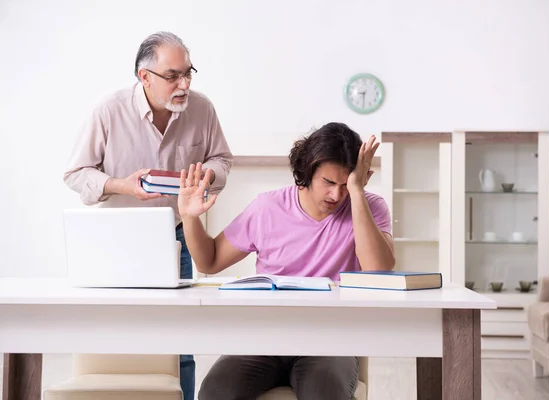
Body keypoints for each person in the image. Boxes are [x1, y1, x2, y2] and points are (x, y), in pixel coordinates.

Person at [63, 31, 233, 400]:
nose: (183, 84)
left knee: (180, 343)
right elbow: (76, 173)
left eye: (188, 73)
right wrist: (122, 185)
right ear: (144, 77)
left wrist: (206, 176)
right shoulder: (108, 110)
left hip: (177, 238)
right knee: (115, 337)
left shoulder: (202, 108)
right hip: (116, 239)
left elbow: (222, 160)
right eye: (173, 75)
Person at [178, 122, 394, 400]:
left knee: (323, 393)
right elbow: (210, 261)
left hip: (330, 340)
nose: (336, 195)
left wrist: (357, 193)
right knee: (215, 391)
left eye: (345, 184)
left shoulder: (368, 206)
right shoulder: (267, 207)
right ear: (307, 171)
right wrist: (190, 218)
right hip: (266, 337)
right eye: (328, 182)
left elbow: (378, 270)